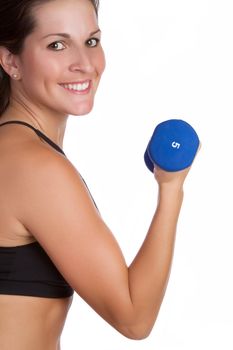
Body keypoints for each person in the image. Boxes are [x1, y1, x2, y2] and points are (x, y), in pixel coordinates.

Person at [0, 0, 198, 349]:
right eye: (57, 45)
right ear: (11, 61)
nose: (85, 64)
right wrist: (171, 188)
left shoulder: (12, 149)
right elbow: (134, 317)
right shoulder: (34, 166)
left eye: (91, 41)